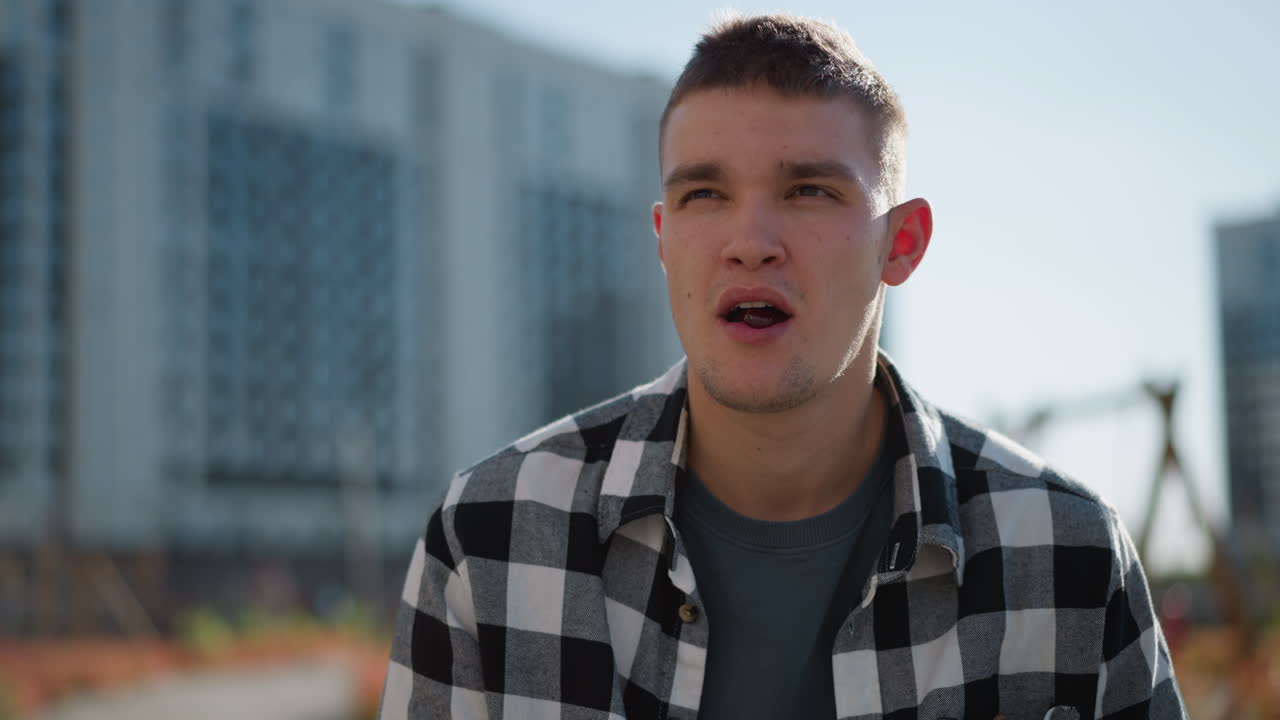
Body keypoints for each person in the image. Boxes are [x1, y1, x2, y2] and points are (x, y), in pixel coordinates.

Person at [378, 13, 1187, 720]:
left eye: (808, 191)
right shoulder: (491, 539)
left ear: (900, 245)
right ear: (663, 238)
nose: (750, 239)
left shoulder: (1068, 554)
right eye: (704, 195)